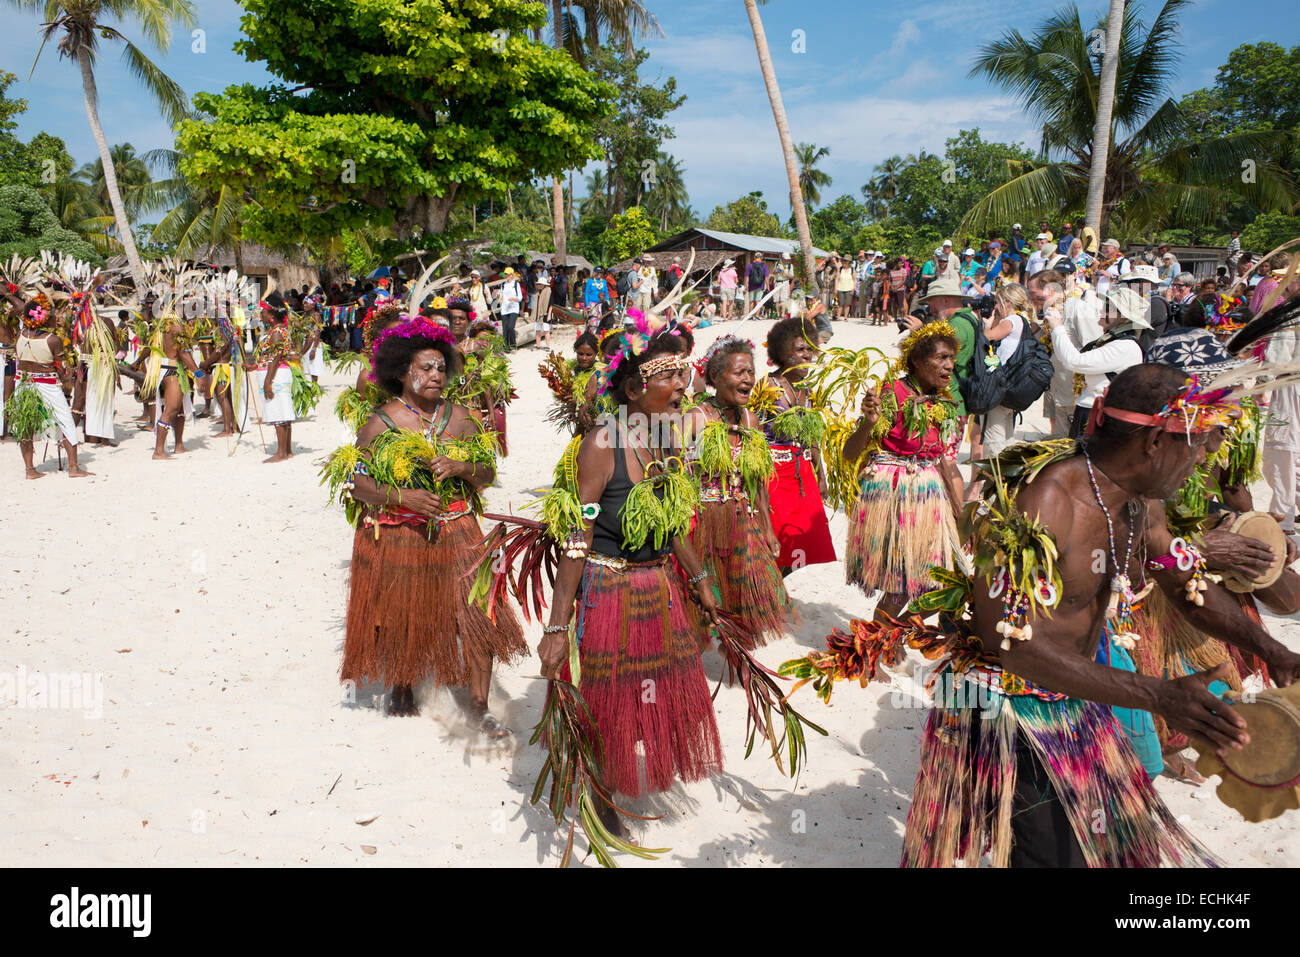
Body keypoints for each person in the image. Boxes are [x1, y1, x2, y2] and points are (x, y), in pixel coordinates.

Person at [885, 363, 1300, 866]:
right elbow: (1009, 642)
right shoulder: (1043, 501)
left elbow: (1183, 580)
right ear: (1153, 444)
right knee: (1057, 856)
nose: (1203, 459)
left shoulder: (1140, 503)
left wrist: (1275, 651)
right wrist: (1157, 694)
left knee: (1100, 847)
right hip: (1005, 710)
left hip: (1073, 697)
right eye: (1197, 444)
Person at [537, 328, 724, 827]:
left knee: (654, 688)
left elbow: (671, 519)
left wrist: (699, 575)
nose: (683, 388)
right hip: (609, 587)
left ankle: (623, 772)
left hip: (656, 585)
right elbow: (579, 536)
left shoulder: (663, 442)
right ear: (634, 389)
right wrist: (557, 628)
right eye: (670, 378)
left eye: (683, 377)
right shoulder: (601, 443)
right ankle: (603, 796)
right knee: (609, 696)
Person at [332, 317, 524, 729]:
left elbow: (488, 472)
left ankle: (478, 704)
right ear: (402, 372)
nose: (436, 375)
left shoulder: (463, 417)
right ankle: (402, 680)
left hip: (459, 529)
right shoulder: (380, 423)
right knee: (403, 611)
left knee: (478, 614)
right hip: (402, 533)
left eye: (441, 367)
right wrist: (404, 498)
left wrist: (460, 466)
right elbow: (356, 484)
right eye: (426, 368)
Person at [841, 322, 965, 622]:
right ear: (917, 361)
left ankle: (896, 633)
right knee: (902, 584)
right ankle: (876, 647)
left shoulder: (946, 403)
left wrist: (961, 516)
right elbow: (849, 452)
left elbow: (946, 461)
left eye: (951, 358)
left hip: (929, 495)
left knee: (951, 581)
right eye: (941, 358)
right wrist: (869, 424)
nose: (949, 366)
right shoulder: (891, 393)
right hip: (895, 494)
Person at [682, 336, 790, 645]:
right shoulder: (695, 418)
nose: (748, 379)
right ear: (715, 377)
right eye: (739, 372)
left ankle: (739, 656)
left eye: (750, 372)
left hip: (743, 521)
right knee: (704, 601)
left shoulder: (750, 419)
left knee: (746, 597)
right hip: (703, 523)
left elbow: (756, 481)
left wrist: (767, 529)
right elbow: (672, 470)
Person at [756, 317, 837, 575]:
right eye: (800, 349)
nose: (807, 355)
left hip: (801, 475)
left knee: (800, 545)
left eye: (810, 349)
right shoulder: (766, 387)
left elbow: (812, 438)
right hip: (773, 476)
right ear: (782, 351)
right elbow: (753, 435)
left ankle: (773, 593)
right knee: (775, 543)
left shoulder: (808, 390)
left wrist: (820, 475)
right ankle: (769, 596)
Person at [1046, 285, 1147, 438]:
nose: (1101, 311)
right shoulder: (1112, 341)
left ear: (1123, 317)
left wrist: (1057, 328)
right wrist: (1056, 330)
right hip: (1089, 409)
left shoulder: (1125, 346)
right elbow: (1068, 358)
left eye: (1108, 308)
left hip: (1098, 414)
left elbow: (1075, 361)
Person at [9, 298, 92, 478]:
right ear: (44, 318)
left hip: (23, 384)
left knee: (26, 425)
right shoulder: (53, 340)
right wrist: (70, 372)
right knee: (66, 422)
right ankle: (74, 468)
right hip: (47, 385)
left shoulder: (20, 335)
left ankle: (30, 470)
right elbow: (62, 370)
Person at [978, 283, 1033, 458]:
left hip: (999, 387)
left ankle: (996, 480)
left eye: (998, 302)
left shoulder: (1011, 321)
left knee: (994, 440)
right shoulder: (1024, 321)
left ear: (1007, 302)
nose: (995, 306)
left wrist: (987, 324)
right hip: (1012, 385)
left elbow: (987, 338)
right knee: (1007, 437)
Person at [251, 292, 298, 463]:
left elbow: (276, 358)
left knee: (278, 411)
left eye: (263, 312)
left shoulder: (277, 332)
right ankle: (287, 450)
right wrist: (254, 367)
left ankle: (281, 453)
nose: (261, 315)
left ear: (271, 315)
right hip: (276, 373)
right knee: (283, 410)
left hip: (276, 375)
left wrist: (267, 382)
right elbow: (270, 357)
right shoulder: (277, 330)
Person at [497, 267, 523, 350]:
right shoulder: (503, 285)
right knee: (505, 329)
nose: (506, 275)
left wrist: (514, 299)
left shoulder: (516, 284)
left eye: (508, 274)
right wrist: (498, 295)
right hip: (505, 309)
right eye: (505, 274)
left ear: (512, 275)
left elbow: (520, 297)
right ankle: (506, 347)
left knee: (510, 327)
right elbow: (501, 295)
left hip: (514, 308)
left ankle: (513, 344)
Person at [834, 255, 855, 320]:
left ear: (849, 262)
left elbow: (854, 280)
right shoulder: (840, 269)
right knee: (840, 303)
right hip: (840, 287)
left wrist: (853, 288)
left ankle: (846, 317)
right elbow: (837, 279)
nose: (845, 262)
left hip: (849, 288)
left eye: (847, 261)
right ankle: (838, 316)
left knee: (847, 303)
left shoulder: (852, 269)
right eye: (844, 261)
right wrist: (835, 288)